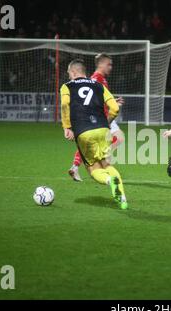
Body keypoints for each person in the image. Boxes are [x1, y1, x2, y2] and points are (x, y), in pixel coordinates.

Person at [61, 59, 128, 209]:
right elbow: (115, 108)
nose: (68, 76)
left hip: (84, 131)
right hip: (103, 129)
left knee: (93, 169)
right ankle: (122, 198)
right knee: (106, 163)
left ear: (73, 72)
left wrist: (67, 127)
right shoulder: (98, 85)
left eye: (68, 73)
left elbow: (65, 104)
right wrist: (107, 121)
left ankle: (110, 181)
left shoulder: (67, 86)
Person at [68, 53, 125, 182]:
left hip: (104, 114)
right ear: (101, 64)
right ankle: (98, 163)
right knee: (117, 138)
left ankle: (79, 165)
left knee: (118, 139)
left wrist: (113, 101)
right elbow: (90, 99)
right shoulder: (95, 78)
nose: (111, 67)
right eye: (108, 64)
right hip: (101, 117)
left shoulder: (101, 78)